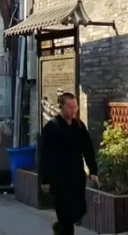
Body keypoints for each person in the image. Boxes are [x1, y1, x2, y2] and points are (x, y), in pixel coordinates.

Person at [40, 92, 98, 235]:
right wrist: (45, 180)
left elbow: (88, 149)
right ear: (62, 107)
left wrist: (93, 171)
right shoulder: (51, 128)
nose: (73, 111)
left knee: (79, 209)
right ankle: (63, 228)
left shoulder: (79, 126)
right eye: (70, 107)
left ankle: (60, 227)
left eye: (75, 107)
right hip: (59, 178)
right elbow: (45, 156)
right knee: (65, 213)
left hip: (76, 175)